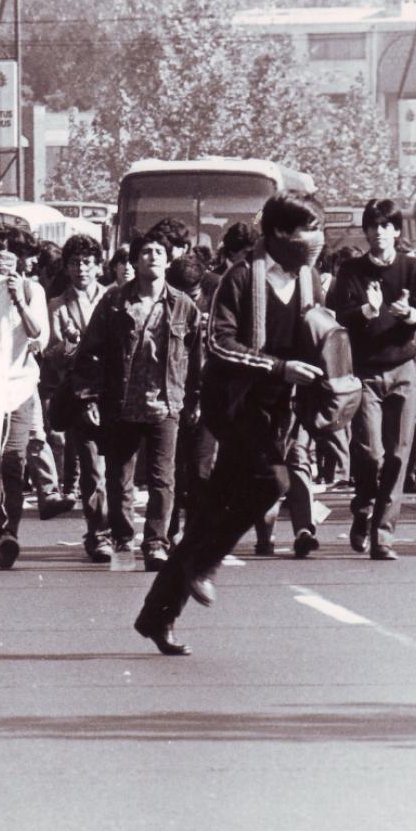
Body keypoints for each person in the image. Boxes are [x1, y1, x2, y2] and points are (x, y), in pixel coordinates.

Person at [134, 193, 325, 655]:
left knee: (213, 512)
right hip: (234, 404)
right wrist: (279, 369)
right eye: (305, 230)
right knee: (273, 482)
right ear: (279, 234)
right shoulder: (239, 279)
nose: (313, 240)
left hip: (276, 409)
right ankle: (205, 562)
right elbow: (219, 344)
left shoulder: (309, 279)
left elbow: (319, 334)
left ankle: (159, 616)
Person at [73, 230, 201, 572]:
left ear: (169, 258)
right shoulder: (114, 301)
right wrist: (89, 397)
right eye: (146, 252)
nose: (153, 257)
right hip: (122, 404)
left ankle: (156, 543)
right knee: (119, 479)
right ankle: (124, 539)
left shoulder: (184, 306)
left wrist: (195, 399)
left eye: (159, 251)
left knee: (163, 478)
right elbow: (89, 352)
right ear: (135, 260)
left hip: (166, 404)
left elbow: (196, 357)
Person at [325, 199, 416, 560]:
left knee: (399, 456)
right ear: (366, 231)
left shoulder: (412, 267)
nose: (379, 233)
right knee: (371, 453)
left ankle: (383, 535)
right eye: (373, 226)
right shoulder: (352, 270)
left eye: (386, 226)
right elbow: (340, 313)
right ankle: (364, 505)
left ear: (396, 231)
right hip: (365, 372)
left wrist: (410, 313)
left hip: (404, 369)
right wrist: (369, 310)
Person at [0, 223, 49, 569]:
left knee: (12, 463)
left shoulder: (33, 291)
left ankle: (9, 535)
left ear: (19, 257)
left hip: (17, 388)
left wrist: (18, 297)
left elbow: (38, 336)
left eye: (4, 247)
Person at [45, 234, 110, 560]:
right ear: (67, 268)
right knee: (91, 468)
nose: (81, 268)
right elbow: (53, 357)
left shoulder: (115, 298)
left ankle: (117, 529)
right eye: (74, 262)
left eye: (87, 262)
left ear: (98, 266)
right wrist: (71, 344)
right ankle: (98, 533)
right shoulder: (57, 306)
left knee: (119, 469)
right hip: (81, 395)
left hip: (115, 395)